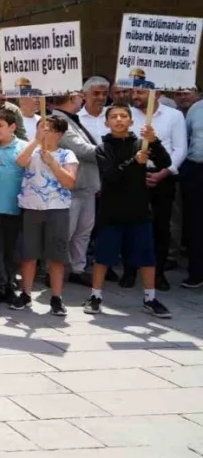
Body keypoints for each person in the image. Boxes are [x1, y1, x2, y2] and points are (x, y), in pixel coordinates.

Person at [86, 105, 172, 317]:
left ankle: (150, 299)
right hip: (111, 212)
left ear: (131, 122)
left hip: (139, 209)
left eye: (123, 116)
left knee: (146, 257)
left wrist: (155, 141)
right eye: (113, 117)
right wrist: (135, 161)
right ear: (107, 123)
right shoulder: (102, 148)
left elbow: (165, 162)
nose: (118, 120)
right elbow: (110, 177)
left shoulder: (141, 143)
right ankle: (95, 296)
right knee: (103, 257)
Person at [11, 116, 79, 316]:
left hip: (57, 209)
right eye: (40, 128)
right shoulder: (32, 152)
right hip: (32, 208)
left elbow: (70, 182)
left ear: (58, 134)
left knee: (56, 256)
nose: (43, 132)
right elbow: (20, 161)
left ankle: (56, 297)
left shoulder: (67, 154)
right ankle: (25, 293)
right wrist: (35, 141)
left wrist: (53, 164)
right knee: (28, 254)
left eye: (47, 129)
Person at [125, 88, 187, 290]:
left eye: (140, 93)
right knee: (131, 224)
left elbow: (180, 149)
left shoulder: (174, 116)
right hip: (133, 177)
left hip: (163, 177)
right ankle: (129, 270)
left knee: (161, 227)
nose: (135, 97)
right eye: (133, 92)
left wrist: (165, 172)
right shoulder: (125, 114)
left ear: (157, 93)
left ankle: (158, 273)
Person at [50, 91, 101, 287]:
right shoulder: (58, 120)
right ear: (72, 98)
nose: (83, 98)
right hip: (72, 186)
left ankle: (77, 268)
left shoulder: (73, 119)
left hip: (87, 185)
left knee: (83, 231)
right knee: (65, 232)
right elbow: (80, 150)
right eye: (80, 95)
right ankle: (54, 269)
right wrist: (112, 150)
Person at [0, 109, 27, 306]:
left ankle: (8, 284)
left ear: (13, 127)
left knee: (12, 250)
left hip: (16, 208)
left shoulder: (24, 148)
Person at [185, 97, 203, 288]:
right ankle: (196, 273)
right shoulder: (196, 109)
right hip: (197, 170)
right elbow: (187, 137)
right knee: (196, 224)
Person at [78, 77, 111, 142]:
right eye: (96, 93)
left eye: (104, 94)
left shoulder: (113, 115)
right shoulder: (77, 119)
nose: (101, 97)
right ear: (84, 95)